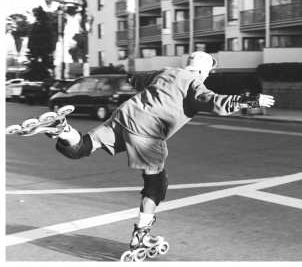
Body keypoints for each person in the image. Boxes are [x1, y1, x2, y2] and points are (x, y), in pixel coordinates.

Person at [23, 51, 275, 257]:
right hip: (147, 130)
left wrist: (127, 77)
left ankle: (62, 129)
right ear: (200, 70)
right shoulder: (195, 84)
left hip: (123, 117)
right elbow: (218, 103)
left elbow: (135, 77)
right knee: (156, 183)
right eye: (208, 71)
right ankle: (141, 234)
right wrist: (253, 100)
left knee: (82, 147)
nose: (208, 75)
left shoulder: (165, 71)